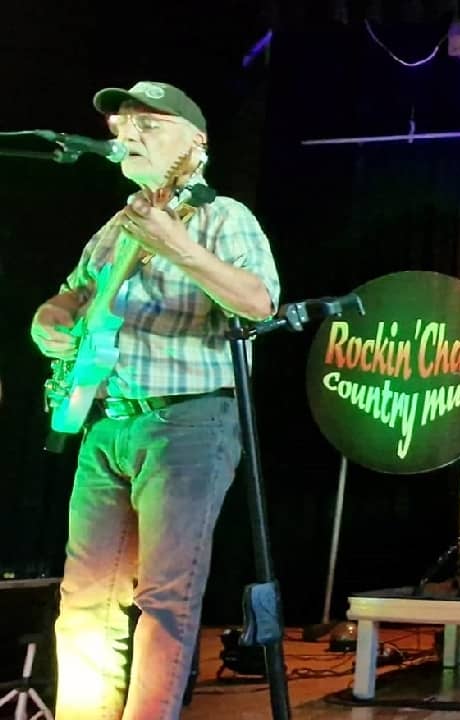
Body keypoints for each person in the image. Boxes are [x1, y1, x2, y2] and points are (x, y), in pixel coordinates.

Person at [29, 81, 280, 720]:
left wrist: (182, 249)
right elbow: (71, 296)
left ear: (194, 144)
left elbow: (259, 303)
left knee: (164, 601)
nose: (127, 133)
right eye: (122, 124)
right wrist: (50, 318)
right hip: (108, 420)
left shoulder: (226, 217)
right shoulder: (117, 225)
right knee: (84, 603)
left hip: (190, 421)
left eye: (148, 123)